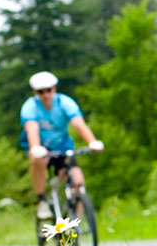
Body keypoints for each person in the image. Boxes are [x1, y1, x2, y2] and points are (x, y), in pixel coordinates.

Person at [20, 71, 104, 219]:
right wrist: (35, 147)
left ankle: (75, 224)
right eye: (41, 91)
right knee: (39, 160)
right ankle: (41, 200)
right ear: (35, 92)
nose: (46, 95)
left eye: (49, 90)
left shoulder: (65, 102)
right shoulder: (30, 107)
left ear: (54, 89)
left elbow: (78, 123)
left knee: (78, 183)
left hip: (62, 145)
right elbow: (31, 128)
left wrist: (92, 142)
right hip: (40, 146)